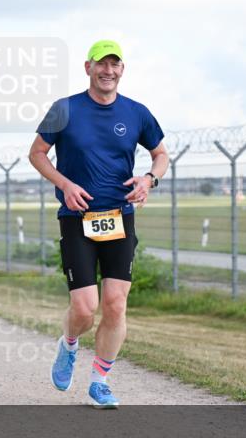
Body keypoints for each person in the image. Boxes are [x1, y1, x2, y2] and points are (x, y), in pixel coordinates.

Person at [29, 40, 169, 408]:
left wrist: (149, 179)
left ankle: (100, 380)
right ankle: (69, 344)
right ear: (87, 67)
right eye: (101, 64)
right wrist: (65, 184)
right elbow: (37, 153)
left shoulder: (137, 112)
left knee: (116, 304)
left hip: (119, 217)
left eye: (115, 64)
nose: (108, 71)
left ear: (122, 69)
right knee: (84, 308)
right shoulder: (65, 109)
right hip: (77, 217)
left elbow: (161, 154)